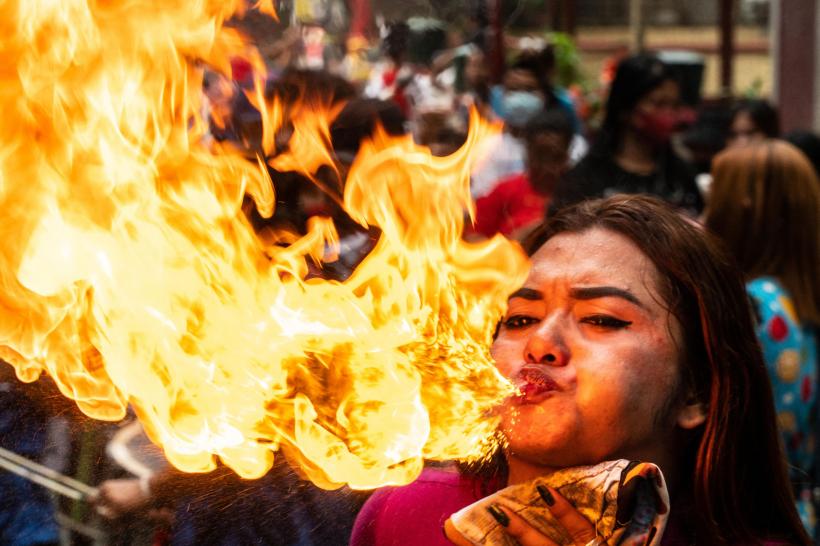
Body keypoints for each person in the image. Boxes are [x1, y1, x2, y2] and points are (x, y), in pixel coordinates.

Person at [350, 194, 809, 546]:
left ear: (697, 393)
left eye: (602, 319)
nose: (541, 343)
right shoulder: (404, 515)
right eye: (519, 319)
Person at [703, 140, 820, 535]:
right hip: (796, 515)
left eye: (716, 193)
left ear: (743, 208)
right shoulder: (799, 300)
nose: (707, 210)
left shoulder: (752, 306)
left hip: (746, 518)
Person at [554, 55, 703, 215]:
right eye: (659, 103)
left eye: (674, 105)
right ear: (626, 109)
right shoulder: (585, 180)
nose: (669, 114)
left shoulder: (680, 176)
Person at [468, 108, 572, 240]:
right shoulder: (504, 190)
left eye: (554, 156)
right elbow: (473, 238)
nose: (547, 166)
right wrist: (514, 244)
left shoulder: (578, 194)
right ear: (528, 153)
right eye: (541, 155)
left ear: (566, 156)